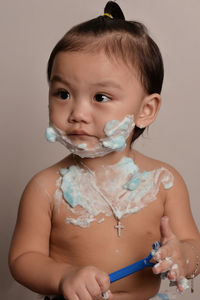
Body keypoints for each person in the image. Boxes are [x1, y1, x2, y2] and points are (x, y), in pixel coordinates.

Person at [9, 1, 200, 300]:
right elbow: (23, 259)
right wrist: (64, 276)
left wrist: (182, 256)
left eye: (100, 96)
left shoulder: (164, 182)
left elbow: (193, 246)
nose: (78, 112)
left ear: (146, 110)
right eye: (63, 93)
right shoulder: (46, 188)